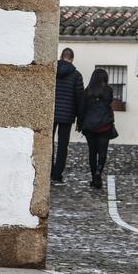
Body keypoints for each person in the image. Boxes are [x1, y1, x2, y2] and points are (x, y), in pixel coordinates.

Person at [79, 68, 117, 189]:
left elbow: (82, 109)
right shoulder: (108, 91)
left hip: (89, 127)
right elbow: (109, 103)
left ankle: (93, 176)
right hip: (104, 126)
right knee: (102, 151)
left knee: (92, 152)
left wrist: (80, 124)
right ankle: (98, 172)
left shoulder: (87, 92)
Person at [52, 47, 83, 185]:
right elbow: (79, 98)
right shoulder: (76, 75)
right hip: (67, 115)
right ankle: (57, 174)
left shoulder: (52, 71)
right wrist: (79, 118)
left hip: (51, 113)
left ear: (61, 56)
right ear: (72, 58)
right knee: (63, 145)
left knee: (48, 144)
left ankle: (48, 170)